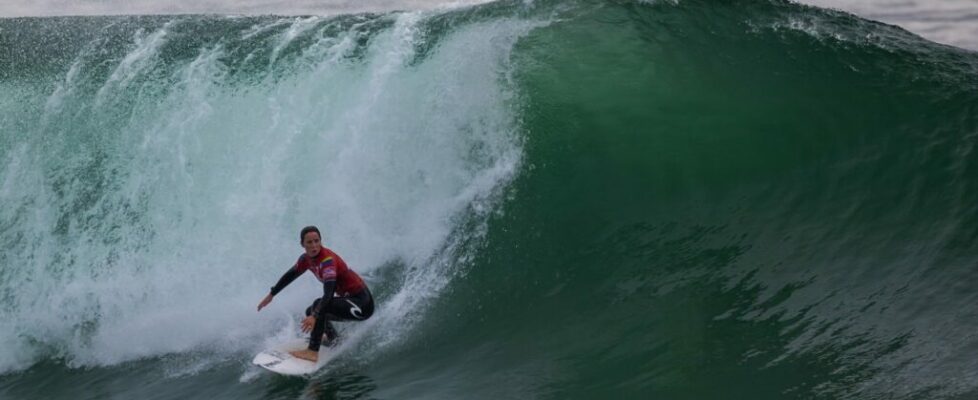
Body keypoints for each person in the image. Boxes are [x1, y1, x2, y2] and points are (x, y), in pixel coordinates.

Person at [257, 226, 374, 362]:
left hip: (362, 304)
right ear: (302, 244)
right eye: (309, 242)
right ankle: (334, 340)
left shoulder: (327, 261)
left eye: (316, 241)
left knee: (318, 307)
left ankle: (312, 352)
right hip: (350, 300)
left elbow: (329, 294)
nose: (314, 245)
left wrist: (315, 315)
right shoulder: (306, 259)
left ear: (321, 241)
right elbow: (290, 275)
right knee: (310, 310)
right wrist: (271, 294)